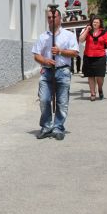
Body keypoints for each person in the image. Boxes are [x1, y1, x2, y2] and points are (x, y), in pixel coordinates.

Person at [32, 8, 79, 140]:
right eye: (49, 18)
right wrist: (45, 60)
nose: (51, 20)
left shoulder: (68, 35)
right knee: (44, 99)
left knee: (62, 102)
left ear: (59, 18)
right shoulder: (43, 37)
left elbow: (75, 52)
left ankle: (58, 127)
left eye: (54, 17)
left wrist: (60, 51)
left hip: (63, 71)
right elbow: (36, 55)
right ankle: (46, 126)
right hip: (47, 71)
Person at [79, 15, 107, 101]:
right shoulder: (88, 31)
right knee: (91, 76)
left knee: (100, 76)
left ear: (100, 23)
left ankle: (100, 88)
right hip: (88, 56)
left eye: (97, 22)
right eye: (94, 22)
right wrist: (86, 30)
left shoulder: (104, 33)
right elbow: (81, 40)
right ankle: (92, 93)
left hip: (100, 57)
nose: (95, 23)